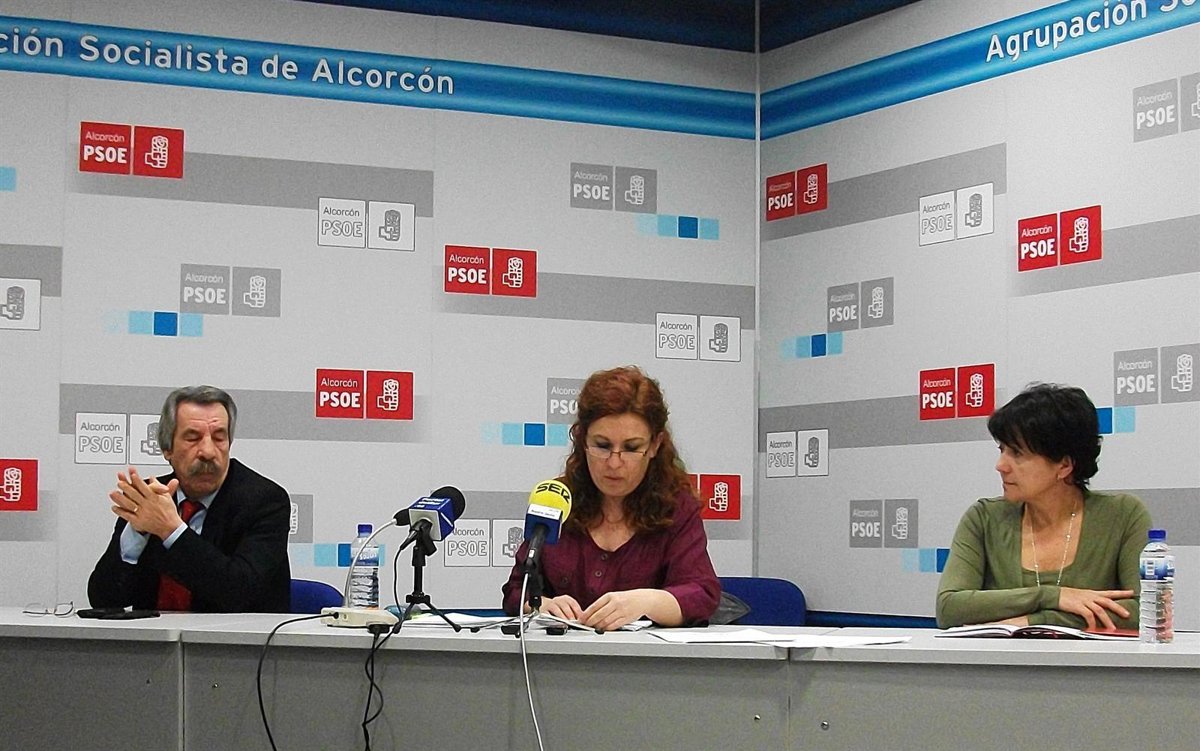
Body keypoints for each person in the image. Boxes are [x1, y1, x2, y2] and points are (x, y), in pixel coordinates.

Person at [502, 366, 720, 630]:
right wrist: (541, 605)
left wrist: (646, 601)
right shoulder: (556, 500)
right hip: (561, 653)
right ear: (583, 441)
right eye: (602, 446)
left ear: (655, 445)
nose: (614, 463)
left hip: (644, 655)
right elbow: (515, 592)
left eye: (631, 448)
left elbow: (701, 595)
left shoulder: (676, 507)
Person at [936, 383, 1152, 630]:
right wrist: (1051, 596)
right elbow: (949, 608)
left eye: (1017, 453)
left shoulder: (1123, 515)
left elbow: (1145, 610)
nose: (1000, 465)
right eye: (1002, 450)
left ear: (1064, 465)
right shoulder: (984, 518)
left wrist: (1039, 621)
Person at [88, 385, 292, 612]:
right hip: (153, 635)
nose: (208, 452)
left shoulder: (265, 501)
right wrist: (136, 535)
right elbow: (103, 600)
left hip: (238, 635)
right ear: (167, 448)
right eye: (193, 438)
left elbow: (239, 591)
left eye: (219, 438)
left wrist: (171, 530)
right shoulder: (148, 499)